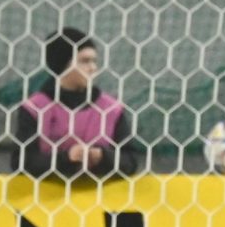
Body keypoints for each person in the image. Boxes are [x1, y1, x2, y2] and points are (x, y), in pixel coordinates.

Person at [11, 27, 140, 180]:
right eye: (85, 61)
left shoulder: (111, 109)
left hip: (100, 192)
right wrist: (67, 157)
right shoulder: (35, 108)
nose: (93, 68)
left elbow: (131, 161)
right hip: (48, 193)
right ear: (63, 64)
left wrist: (101, 156)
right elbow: (21, 163)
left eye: (94, 61)